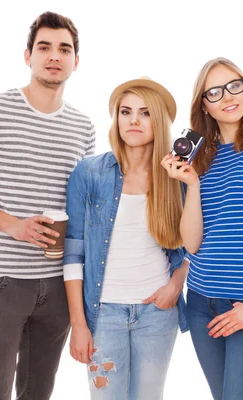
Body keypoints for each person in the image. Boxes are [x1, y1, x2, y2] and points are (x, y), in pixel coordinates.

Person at [0, 12, 95, 400]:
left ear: (76, 61)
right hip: (0, 279)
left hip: (58, 284)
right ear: (27, 55)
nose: (54, 56)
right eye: (44, 47)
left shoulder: (84, 127)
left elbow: (83, 206)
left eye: (64, 49)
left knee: (38, 393)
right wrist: (13, 225)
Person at [162, 57, 243, 400]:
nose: (229, 96)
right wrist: (191, 185)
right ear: (203, 105)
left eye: (235, 85)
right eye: (215, 92)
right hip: (202, 301)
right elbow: (191, 244)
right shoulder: (199, 158)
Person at [63, 77, 189, 399]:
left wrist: (175, 285)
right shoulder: (89, 173)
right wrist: (79, 323)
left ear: (158, 121)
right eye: (125, 111)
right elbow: (73, 253)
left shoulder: (175, 178)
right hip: (103, 314)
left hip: (157, 314)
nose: (133, 120)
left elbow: (194, 244)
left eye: (145, 113)